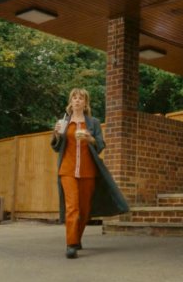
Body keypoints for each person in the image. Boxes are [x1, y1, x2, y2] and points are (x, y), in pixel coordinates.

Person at [51, 88, 129, 258]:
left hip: (88, 171)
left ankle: (77, 238)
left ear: (85, 103)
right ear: (71, 102)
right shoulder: (64, 121)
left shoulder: (93, 123)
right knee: (73, 208)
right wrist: (56, 133)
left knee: (85, 210)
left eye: (81, 98)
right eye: (74, 98)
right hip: (67, 170)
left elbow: (101, 145)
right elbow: (56, 146)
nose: (77, 101)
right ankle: (71, 245)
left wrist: (90, 138)